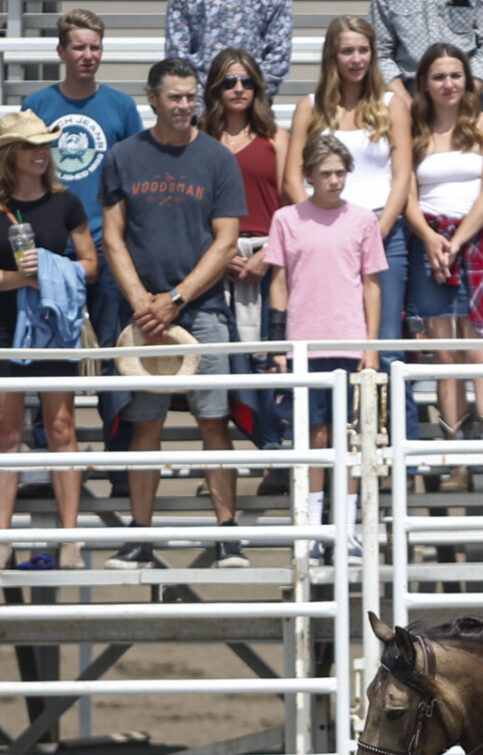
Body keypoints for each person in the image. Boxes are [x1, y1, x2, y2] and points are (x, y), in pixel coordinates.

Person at [99, 57, 247, 571]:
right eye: (176, 97)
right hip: (143, 315)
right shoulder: (122, 157)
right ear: (153, 99)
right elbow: (112, 237)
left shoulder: (217, 159)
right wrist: (143, 301)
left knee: (214, 420)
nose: (186, 105)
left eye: (191, 97)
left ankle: (228, 535)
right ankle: (141, 537)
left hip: (200, 310)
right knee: (145, 424)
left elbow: (226, 240)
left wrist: (177, 299)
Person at [285, 16, 417, 479]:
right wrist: (327, 232)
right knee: (329, 347)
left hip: (384, 233)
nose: (356, 59)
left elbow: (403, 175)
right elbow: (291, 179)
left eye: (363, 50)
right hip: (325, 242)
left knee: (385, 347)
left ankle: (397, 456)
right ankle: (327, 467)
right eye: (347, 51)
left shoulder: (392, 103)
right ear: (332, 56)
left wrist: (375, 229)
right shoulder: (309, 106)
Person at [22, 8, 146, 480]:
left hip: (108, 250)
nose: (87, 55)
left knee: (115, 355)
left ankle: (118, 459)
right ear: (61, 51)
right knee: (51, 356)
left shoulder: (120, 108)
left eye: (94, 46)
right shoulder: (38, 104)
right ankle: (47, 459)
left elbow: (136, 179)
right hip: (52, 252)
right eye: (78, 46)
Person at [0, 112, 99, 572]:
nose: (41, 153)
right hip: (6, 323)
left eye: (45, 144)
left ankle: (71, 539)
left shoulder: (65, 203)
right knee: (6, 431)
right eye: (31, 147)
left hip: (52, 325)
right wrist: (23, 279)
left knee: (61, 429)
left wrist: (48, 269)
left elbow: (90, 265)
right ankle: (1, 541)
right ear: (11, 155)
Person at [265, 136, 387, 564]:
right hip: (304, 341)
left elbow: (372, 285)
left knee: (353, 437)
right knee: (315, 437)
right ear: (309, 176)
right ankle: (315, 531)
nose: (334, 181)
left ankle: (349, 531)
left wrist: (371, 347)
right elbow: (278, 283)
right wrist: (279, 345)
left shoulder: (363, 220)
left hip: (351, 341)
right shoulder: (286, 219)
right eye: (326, 173)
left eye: (340, 172)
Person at [413, 43, 483, 498]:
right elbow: (405, 193)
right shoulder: (415, 131)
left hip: (476, 243)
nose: (448, 84)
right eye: (439, 76)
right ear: (425, 84)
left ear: (468, 80)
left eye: (456, 75)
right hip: (430, 243)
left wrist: (456, 240)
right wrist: (432, 239)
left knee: (481, 353)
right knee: (445, 355)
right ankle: (455, 460)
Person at [203, 47, 289, 466]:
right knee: (222, 364)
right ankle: (223, 461)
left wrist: (270, 252)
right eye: (229, 82)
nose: (238, 89)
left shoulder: (276, 138)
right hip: (213, 259)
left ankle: (272, 452)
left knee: (265, 360)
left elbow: (292, 206)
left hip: (267, 260)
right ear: (215, 89)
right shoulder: (198, 137)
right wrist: (218, 256)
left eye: (247, 81)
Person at [371, 0, 483, 101]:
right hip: (412, 95)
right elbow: (380, 54)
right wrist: (406, 102)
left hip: (464, 94)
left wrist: (467, 98)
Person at [164, 0, 293, 99]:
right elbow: (177, 54)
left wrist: (255, 94)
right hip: (202, 107)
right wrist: (196, 102)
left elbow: (279, 51)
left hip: (252, 105)